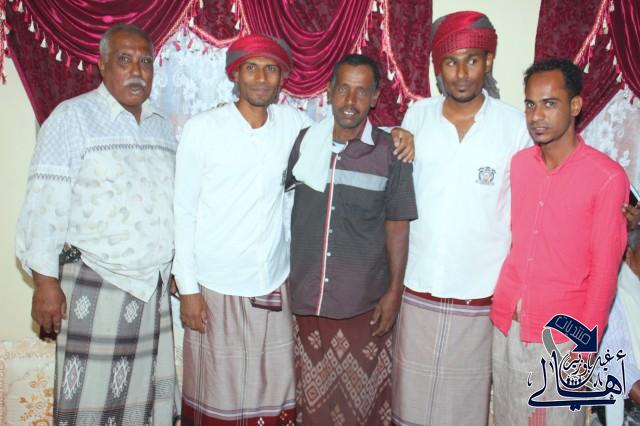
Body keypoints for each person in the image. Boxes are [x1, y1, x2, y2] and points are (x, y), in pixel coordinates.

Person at [173, 36, 414, 425]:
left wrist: (398, 133)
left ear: (282, 78)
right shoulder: (203, 129)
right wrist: (188, 289)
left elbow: (347, 127)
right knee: (217, 394)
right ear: (235, 74)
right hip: (215, 285)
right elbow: (183, 211)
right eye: (252, 68)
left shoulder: (294, 127)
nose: (261, 78)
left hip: (271, 283)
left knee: (270, 397)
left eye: (271, 69)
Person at [15, 24, 178, 425]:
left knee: (144, 407)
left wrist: (177, 267)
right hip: (95, 283)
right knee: (91, 405)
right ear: (102, 66)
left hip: (153, 288)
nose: (137, 70)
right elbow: (44, 205)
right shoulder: (71, 118)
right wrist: (45, 284)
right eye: (124, 60)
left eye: (145, 61)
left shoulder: (162, 127)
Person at [391, 11, 531, 426]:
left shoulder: (514, 126)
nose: (462, 73)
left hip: (480, 293)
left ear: (488, 61)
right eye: (451, 62)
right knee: (410, 402)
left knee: (464, 409)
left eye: (472, 60)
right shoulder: (417, 116)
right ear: (439, 68)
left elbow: (527, 212)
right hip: (419, 286)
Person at [490, 58, 629, 425]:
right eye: (531, 104)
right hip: (507, 324)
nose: (537, 115)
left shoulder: (607, 177)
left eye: (549, 103)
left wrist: (585, 349)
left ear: (575, 105)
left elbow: (604, 275)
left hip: (562, 339)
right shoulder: (519, 165)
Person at [286, 53, 417, 425]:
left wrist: (394, 292)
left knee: (362, 408)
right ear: (329, 92)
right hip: (308, 303)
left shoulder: (391, 152)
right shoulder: (304, 143)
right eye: (343, 88)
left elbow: (398, 225)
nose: (350, 100)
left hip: (364, 307)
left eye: (361, 92)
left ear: (374, 97)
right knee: (310, 411)